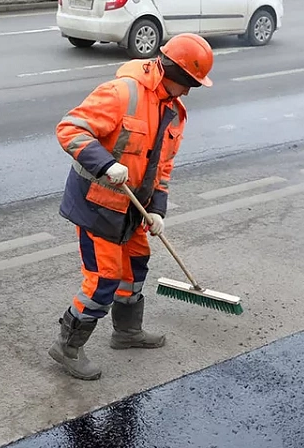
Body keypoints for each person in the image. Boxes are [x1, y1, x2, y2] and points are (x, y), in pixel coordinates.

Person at [48, 33, 215, 381]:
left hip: (134, 210)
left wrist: (157, 210)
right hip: (99, 206)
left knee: (135, 267)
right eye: (189, 84)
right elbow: (70, 129)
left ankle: (126, 333)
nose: (189, 92)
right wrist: (105, 164)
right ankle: (66, 348)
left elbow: (163, 168)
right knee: (103, 280)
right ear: (175, 74)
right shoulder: (122, 92)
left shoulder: (173, 112)